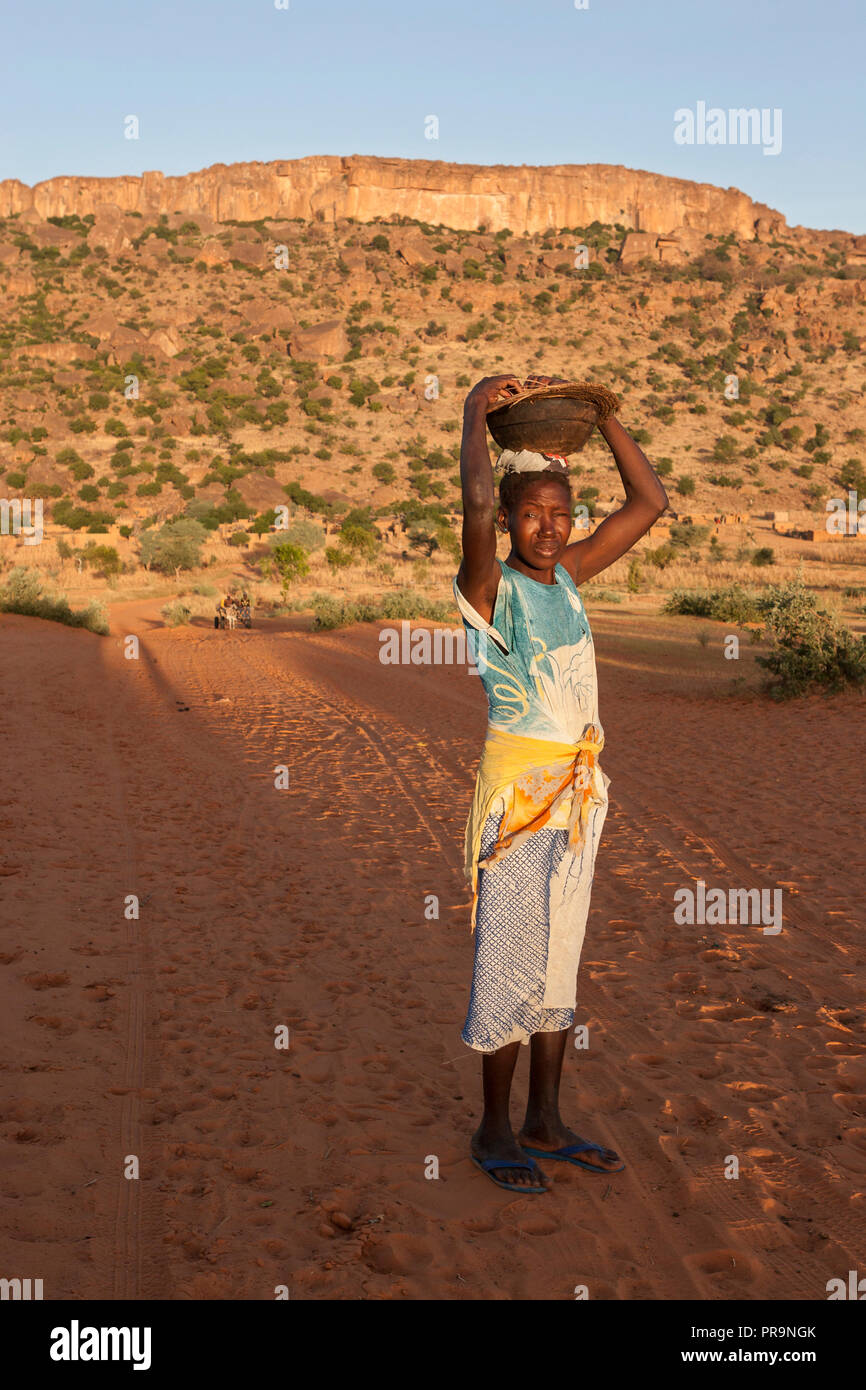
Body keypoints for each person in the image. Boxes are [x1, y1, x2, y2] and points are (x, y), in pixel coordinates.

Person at [454, 373, 668, 1193]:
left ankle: (545, 1118)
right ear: (507, 520)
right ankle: (493, 1129)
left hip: (578, 806)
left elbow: (647, 504)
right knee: (507, 963)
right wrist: (475, 409)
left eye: (561, 513)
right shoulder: (489, 589)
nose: (549, 528)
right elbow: (472, 508)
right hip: (519, 808)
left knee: (557, 966)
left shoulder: (570, 576)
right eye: (532, 514)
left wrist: (610, 417)